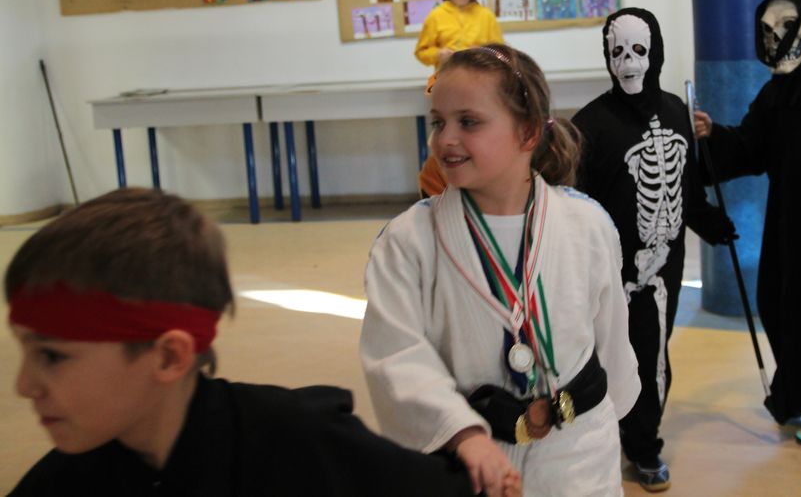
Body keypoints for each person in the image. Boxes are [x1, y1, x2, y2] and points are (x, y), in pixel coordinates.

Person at [6, 187, 486, 497]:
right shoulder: (64, 481)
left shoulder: (302, 451)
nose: (24, 385)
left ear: (169, 356)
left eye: (51, 355)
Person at [360, 44, 642, 496]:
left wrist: (611, 415)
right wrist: (463, 433)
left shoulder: (587, 223)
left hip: (578, 457)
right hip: (468, 458)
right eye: (438, 122)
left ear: (527, 132)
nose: (445, 138)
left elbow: (610, 338)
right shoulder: (408, 241)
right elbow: (395, 354)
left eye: (468, 122)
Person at [572, 8, 736, 491]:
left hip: (664, 264)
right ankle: (601, 436)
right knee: (599, 353)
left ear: (655, 54)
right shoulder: (590, 124)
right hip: (608, 268)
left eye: (638, 51)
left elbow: (687, 185)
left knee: (652, 354)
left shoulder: (676, 112)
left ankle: (643, 445)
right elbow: (574, 204)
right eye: (617, 51)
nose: (628, 63)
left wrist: (707, 220)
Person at [693, 0, 801, 447]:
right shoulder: (775, 92)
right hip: (789, 223)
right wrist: (713, 134)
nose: (774, 40)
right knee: (783, 305)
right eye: (767, 31)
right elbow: (752, 147)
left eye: (786, 28)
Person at [414, 0, 505, 197]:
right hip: (445, 88)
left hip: (480, 89)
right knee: (447, 139)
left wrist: (482, 54)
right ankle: (445, 191)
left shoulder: (485, 16)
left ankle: (480, 189)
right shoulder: (436, 16)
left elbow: (501, 53)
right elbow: (421, 52)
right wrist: (438, 54)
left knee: (477, 138)